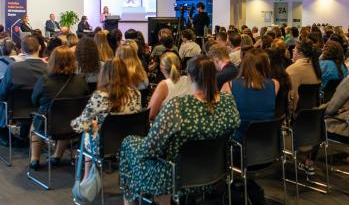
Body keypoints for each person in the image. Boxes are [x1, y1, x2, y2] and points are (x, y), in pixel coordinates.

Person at [119, 55, 240, 205]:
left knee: (128, 143)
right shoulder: (228, 101)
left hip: (177, 176)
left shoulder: (177, 106)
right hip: (215, 171)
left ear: (189, 77)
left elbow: (150, 148)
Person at [71, 58, 142, 179]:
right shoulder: (136, 93)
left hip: (105, 144)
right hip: (131, 143)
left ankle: (87, 177)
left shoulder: (100, 97)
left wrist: (89, 124)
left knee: (87, 132)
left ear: (104, 74)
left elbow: (79, 125)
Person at [29, 46, 89, 170]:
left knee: (35, 125)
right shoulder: (81, 80)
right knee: (66, 119)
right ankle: (57, 156)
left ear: (52, 61)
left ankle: (35, 159)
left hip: (48, 124)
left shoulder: (45, 81)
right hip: (73, 126)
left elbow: (34, 100)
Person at [222, 48, 279, 140]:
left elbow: (224, 116)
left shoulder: (229, 85)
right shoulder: (275, 84)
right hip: (267, 140)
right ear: (266, 65)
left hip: (240, 141)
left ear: (244, 64)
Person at [0, 36, 47, 145]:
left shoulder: (13, 69)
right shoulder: (48, 68)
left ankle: (5, 135)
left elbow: (2, 93)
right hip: (41, 110)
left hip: (16, 111)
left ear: (21, 50)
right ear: (40, 47)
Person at [148, 52, 191, 120]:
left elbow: (150, 115)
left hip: (169, 127)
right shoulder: (189, 80)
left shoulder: (163, 86)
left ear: (161, 68)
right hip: (188, 124)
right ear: (179, 65)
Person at [286, 40, 322, 112]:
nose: (292, 52)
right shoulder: (316, 67)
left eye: (294, 50)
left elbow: (291, 97)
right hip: (314, 111)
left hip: (298, 112)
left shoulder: (291, 70)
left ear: (300, 54)